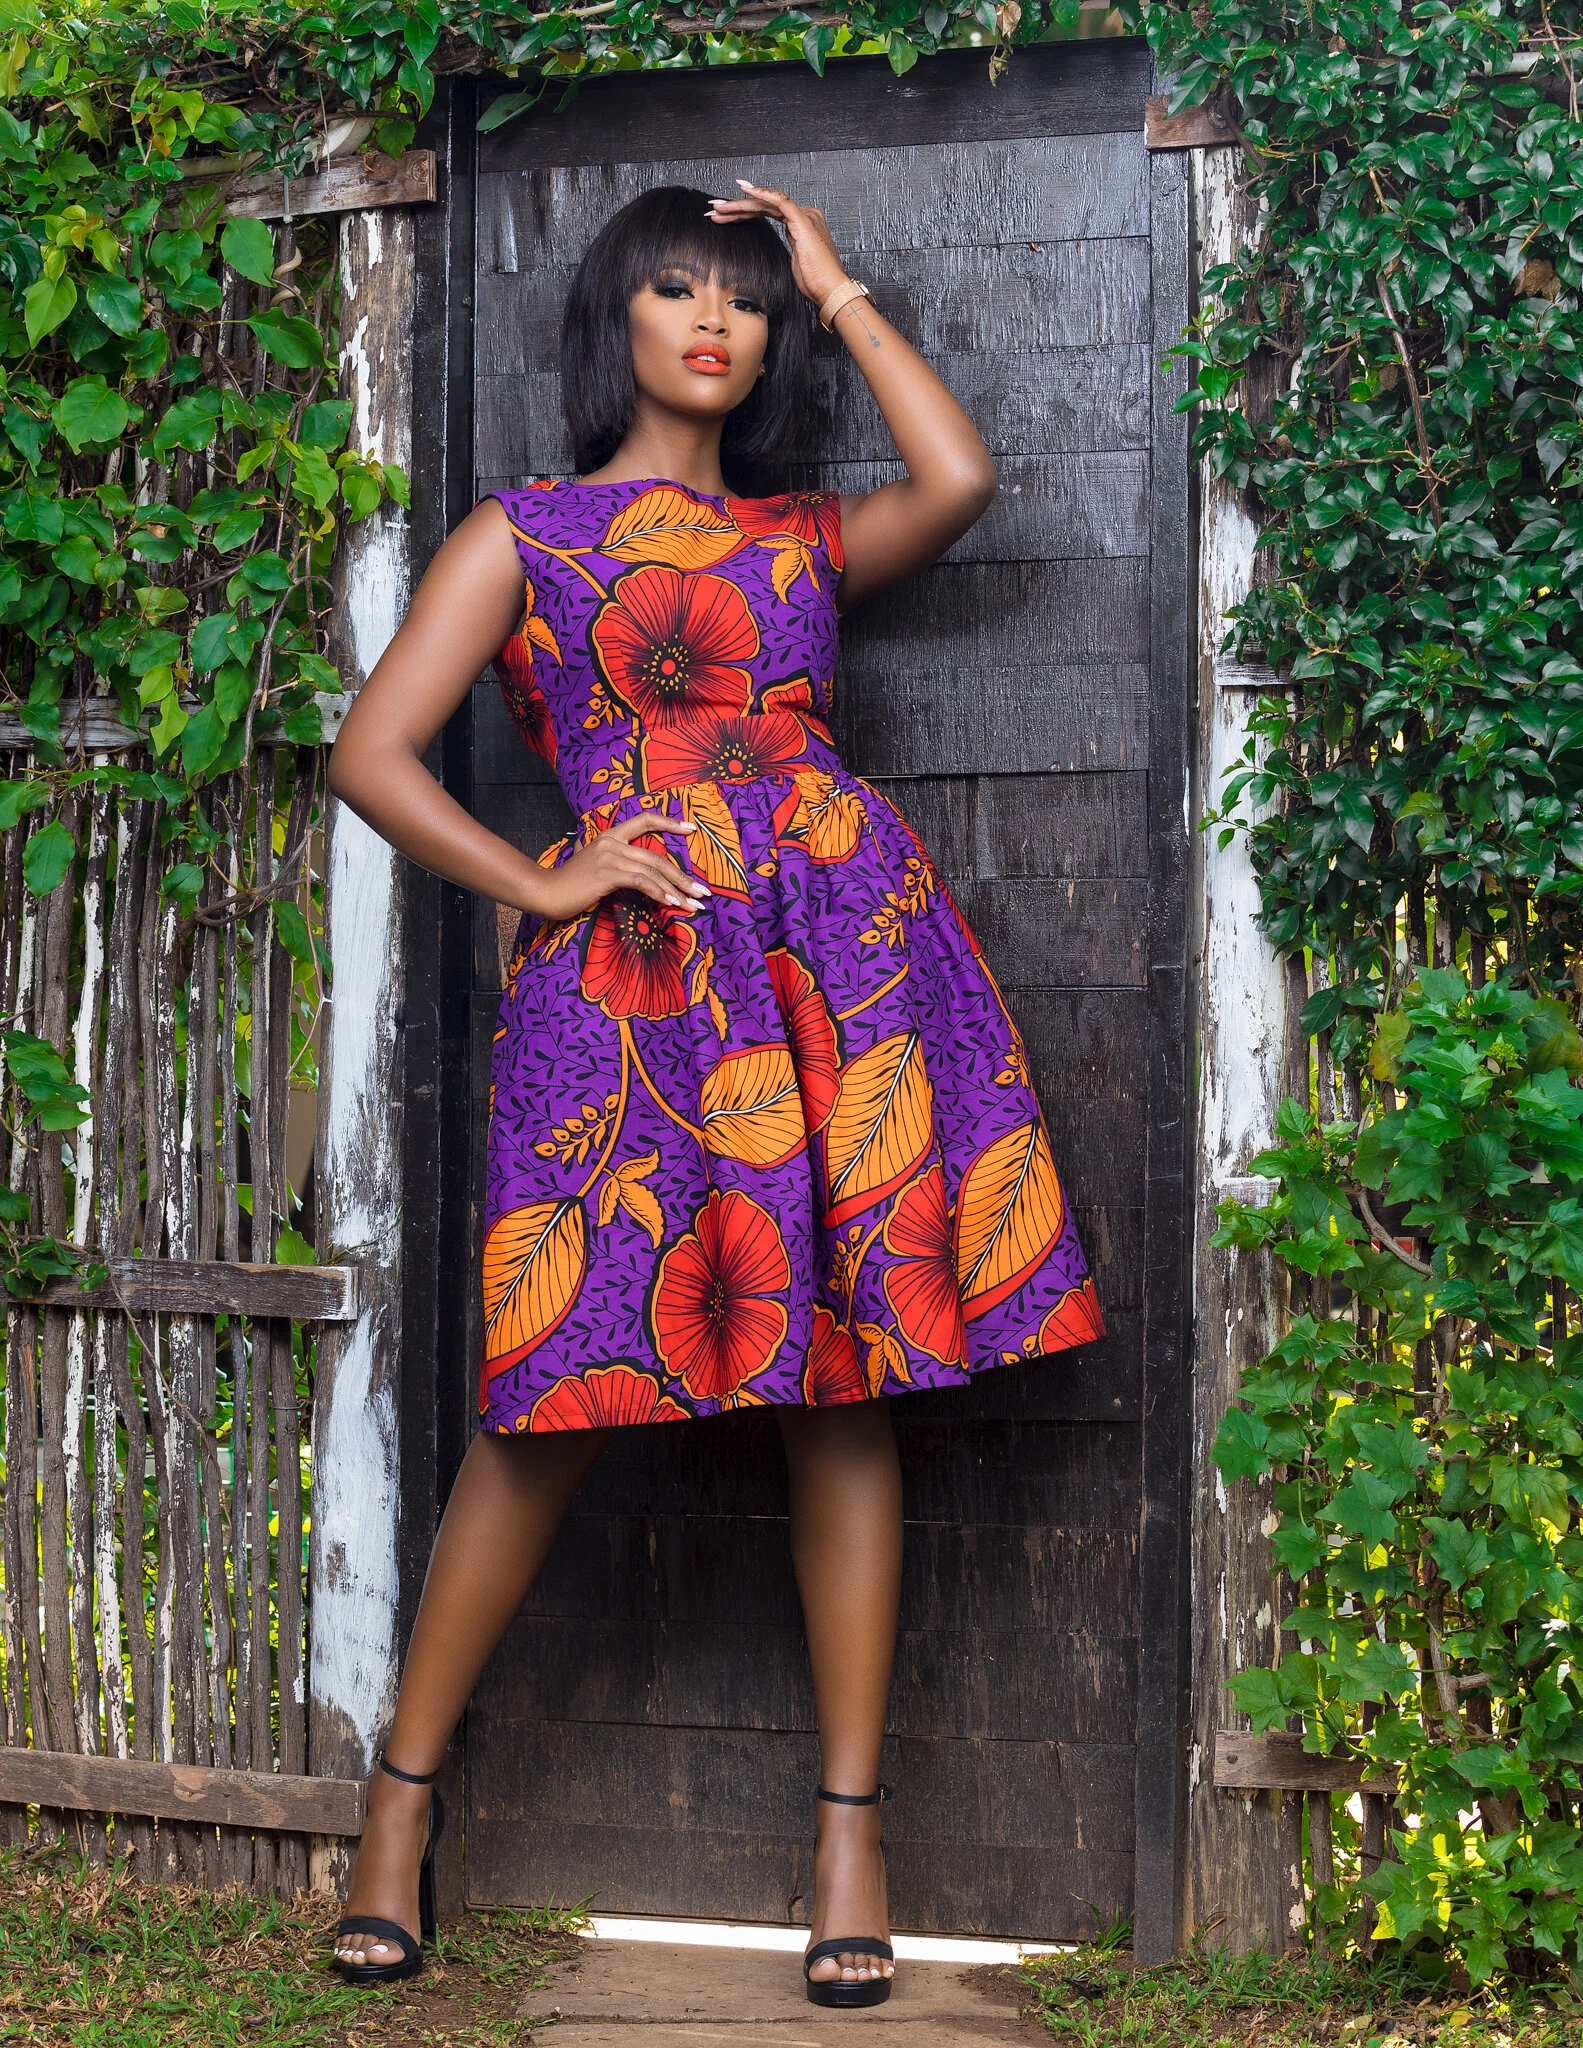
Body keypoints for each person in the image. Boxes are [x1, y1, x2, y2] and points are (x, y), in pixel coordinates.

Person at [323, 178, 1102, 2007]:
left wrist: (837, 284)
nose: (710, 320)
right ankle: (395, 1817)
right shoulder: (523, 534)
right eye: (675, 287)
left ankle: (848, 1843)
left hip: (839, 966)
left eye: (741, 299)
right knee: (552, 1391)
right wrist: (542, 882)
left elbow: (960, 476)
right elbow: (372, 751)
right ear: (616, 317)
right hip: (635, 987)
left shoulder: (797, 540)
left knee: (843, 1386)